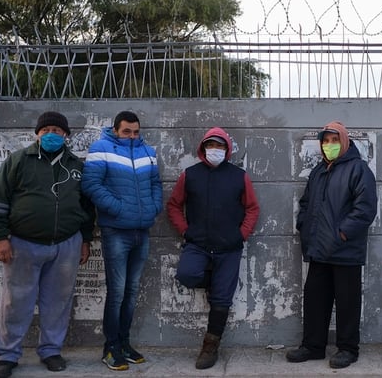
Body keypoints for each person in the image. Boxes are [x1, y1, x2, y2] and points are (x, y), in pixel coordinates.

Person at [0, 111, 95, 378]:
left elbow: (86, 207)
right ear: (37, 133)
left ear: (66, 135)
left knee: (58, 301)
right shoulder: (18, 161)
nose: (50, 135)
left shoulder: (76, 166)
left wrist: (85, 240)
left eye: (56, 131)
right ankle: (8, 355)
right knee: (16, 301)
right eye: (45, 130)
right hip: (24, 244)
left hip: (67, 244)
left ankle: (51, 351)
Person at [285, 121, 378, 369]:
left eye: (334, 140)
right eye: (325, 141)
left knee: (347, 303)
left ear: (344, 142)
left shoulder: (359, 170)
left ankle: (348, 349)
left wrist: (341, 235)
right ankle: (313, 346)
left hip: (344, 251)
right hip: (318, 249)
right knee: (315, 299)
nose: (329, 145)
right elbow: (306, 203)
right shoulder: (318, 171)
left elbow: (365, 209)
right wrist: (304, 226)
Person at [166, 127, 260, 370]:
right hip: (198, 244)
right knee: (187, 275)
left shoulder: (239, 176)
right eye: (211, 145)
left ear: (227, 150)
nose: (215, 150)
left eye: (219, 146)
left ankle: (210, 346)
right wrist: (186, 231)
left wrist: (241, 235)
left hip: (229, 247)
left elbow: (252, 208)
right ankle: (213, 281)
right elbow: (174, 205)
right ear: (203, 148)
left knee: (221, 299)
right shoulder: (190, 175)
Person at [81, 111, 163, 371]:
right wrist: (117, 208)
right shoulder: (101, 148)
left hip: (142, 231)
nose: (132, 136)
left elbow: (155, 184)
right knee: (116, 293)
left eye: (136, 131)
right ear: (116, 130)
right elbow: (91, 185)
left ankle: (125, 343)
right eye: (127, 131)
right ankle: (111, 347)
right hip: (116, 231)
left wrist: (153, 208)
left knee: (131, 291)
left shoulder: (148, 152)